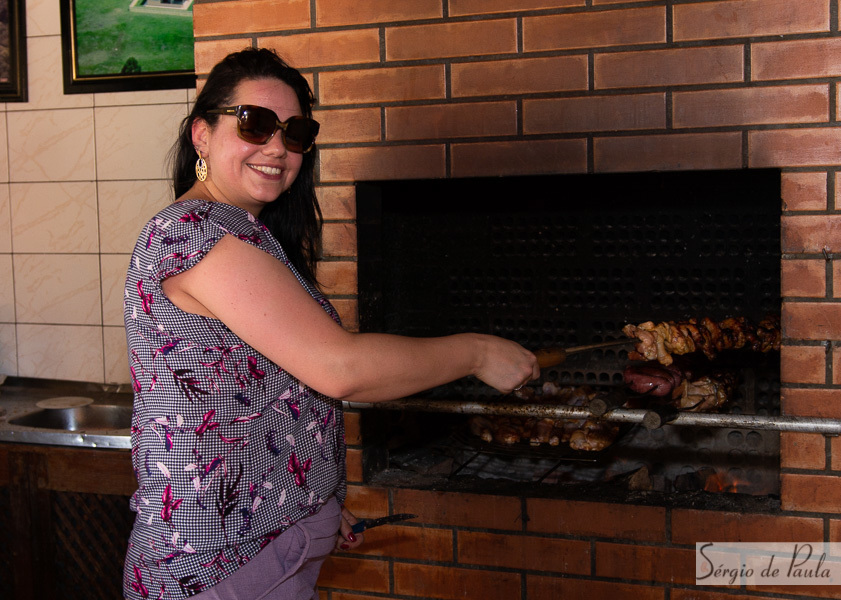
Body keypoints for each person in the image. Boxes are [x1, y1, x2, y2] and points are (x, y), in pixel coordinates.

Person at [122, 48, 539, 600]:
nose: (277, 147)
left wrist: (306, 498)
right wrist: (478, 352)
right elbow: (337, 369)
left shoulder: (242, 232)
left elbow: (261, 393)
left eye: (295, 132)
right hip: (215, 564)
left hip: (262, 544)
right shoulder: (196, 234)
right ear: (202, 134)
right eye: (255, 123)